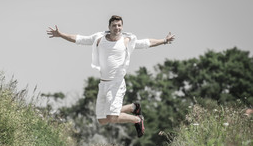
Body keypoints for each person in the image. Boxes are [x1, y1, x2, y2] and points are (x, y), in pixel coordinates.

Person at [47, 15, 175, 138]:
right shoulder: (99, 38)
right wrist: (60, 34)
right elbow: (79, 39)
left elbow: (146, 43)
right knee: (102, 120)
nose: (117, 28)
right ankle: (133, 107)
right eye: (114, 25)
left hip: (117, 83)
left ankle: (137, 119)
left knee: (113, 117)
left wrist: (164, 40)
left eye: (119, 25)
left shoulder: (127, 40)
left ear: (122, 27)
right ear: (109, 26)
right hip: (103, 84)